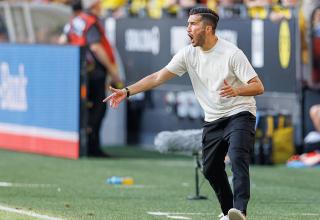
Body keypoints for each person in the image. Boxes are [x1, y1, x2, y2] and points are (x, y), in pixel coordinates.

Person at [104, 7, 264, 220]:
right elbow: (157, 77)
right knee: (210, 169)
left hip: (240, 112)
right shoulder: (188, 53)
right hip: (213, 118)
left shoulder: (232, 53)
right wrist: (126, 91)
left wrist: (237, 90)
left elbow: (258, 86)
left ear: (207, 28)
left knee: (237, 157)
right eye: (187, 23)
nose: (187, 28)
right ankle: (229, 213)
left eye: (192, 24)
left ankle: (241, 211)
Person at [66, 0, 122, 157]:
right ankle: (92, 145)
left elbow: (63, 41)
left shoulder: (75, 21)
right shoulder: (90, 21)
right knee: (98, 107)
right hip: (93, 71)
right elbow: (96, 47)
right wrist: (113, 70)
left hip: (79, 69)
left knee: (86, 107)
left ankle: (84, 145)